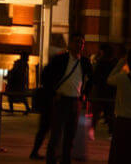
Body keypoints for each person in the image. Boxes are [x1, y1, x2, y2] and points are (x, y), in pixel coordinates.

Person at [40, 33, 91, 164]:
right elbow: (45, 75)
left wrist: (85, 94)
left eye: (82, 43)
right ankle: (51, 160)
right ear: (70, 44)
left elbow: (92, 79)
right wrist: (52, 92)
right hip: (61, 99)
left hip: (75, 101)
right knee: (56, 133)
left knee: (70, 135)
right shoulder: (61, 59)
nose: (79, 45)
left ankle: (66, 160)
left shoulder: (85, 62)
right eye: (77, 42)